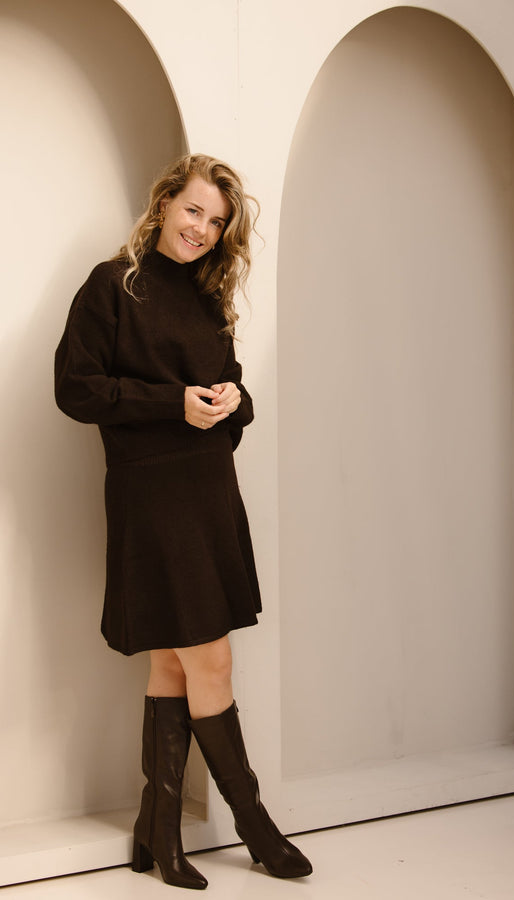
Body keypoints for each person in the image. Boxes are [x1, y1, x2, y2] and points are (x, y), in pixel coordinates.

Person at [54, 153, 312, 890]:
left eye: (216, 221)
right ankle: (255, 828)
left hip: (208, 491)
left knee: (173, 662)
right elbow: (75, 389)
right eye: (194, 209)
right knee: (212, 660)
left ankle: (158, 830)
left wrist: (233, 401)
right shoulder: (113, 284)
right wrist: (173, 405)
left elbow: (233, 394)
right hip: (151, 494)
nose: (202, 228)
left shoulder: (206, 297)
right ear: (166, 202)